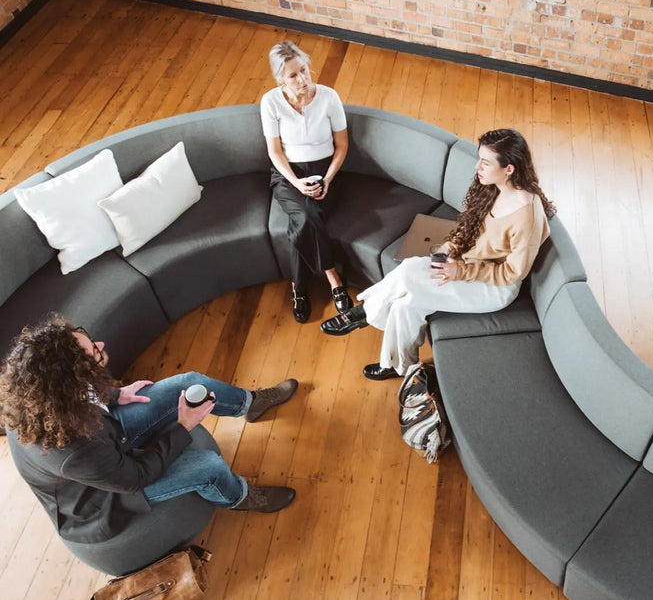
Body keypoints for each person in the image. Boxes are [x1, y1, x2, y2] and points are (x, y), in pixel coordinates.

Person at [0, 317, 300, 551]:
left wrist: (114, 396)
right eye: (94, 351)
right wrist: (183, 426)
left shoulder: (46, 393)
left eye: (89, 340)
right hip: (105, 498)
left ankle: (250, 403)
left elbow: (83, 393)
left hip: (103, 440)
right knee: (208, 466)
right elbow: (136, 477)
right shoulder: (71, 450)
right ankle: (238, 497)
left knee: (188, 381)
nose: (101, 344)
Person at [320, 128, 554, 380]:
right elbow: (468, 229)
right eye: (479, 159)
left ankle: (364, 312)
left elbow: (511, 273)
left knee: (410, 271)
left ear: (509, 169)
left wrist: (460, 271)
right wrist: (448, 253)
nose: (477, 167)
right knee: (404, 306)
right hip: (466, 265)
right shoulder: (493, 189)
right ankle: (400, 367)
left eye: (486, 162)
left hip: (494, 288)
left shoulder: (526, 216)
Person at [262, 40, 352, 323]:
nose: (302, 80)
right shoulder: (270, 102)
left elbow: (342, 145)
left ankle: (298, 288)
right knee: (305, 216)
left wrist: (327, 178)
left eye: (304, 70)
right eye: (292, 75)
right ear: (280, 79)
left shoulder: (328, 97)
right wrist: (296, 183)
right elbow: (275, 152)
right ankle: (333, 277)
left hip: (327, 171)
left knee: (301, 223)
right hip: (288, 174)